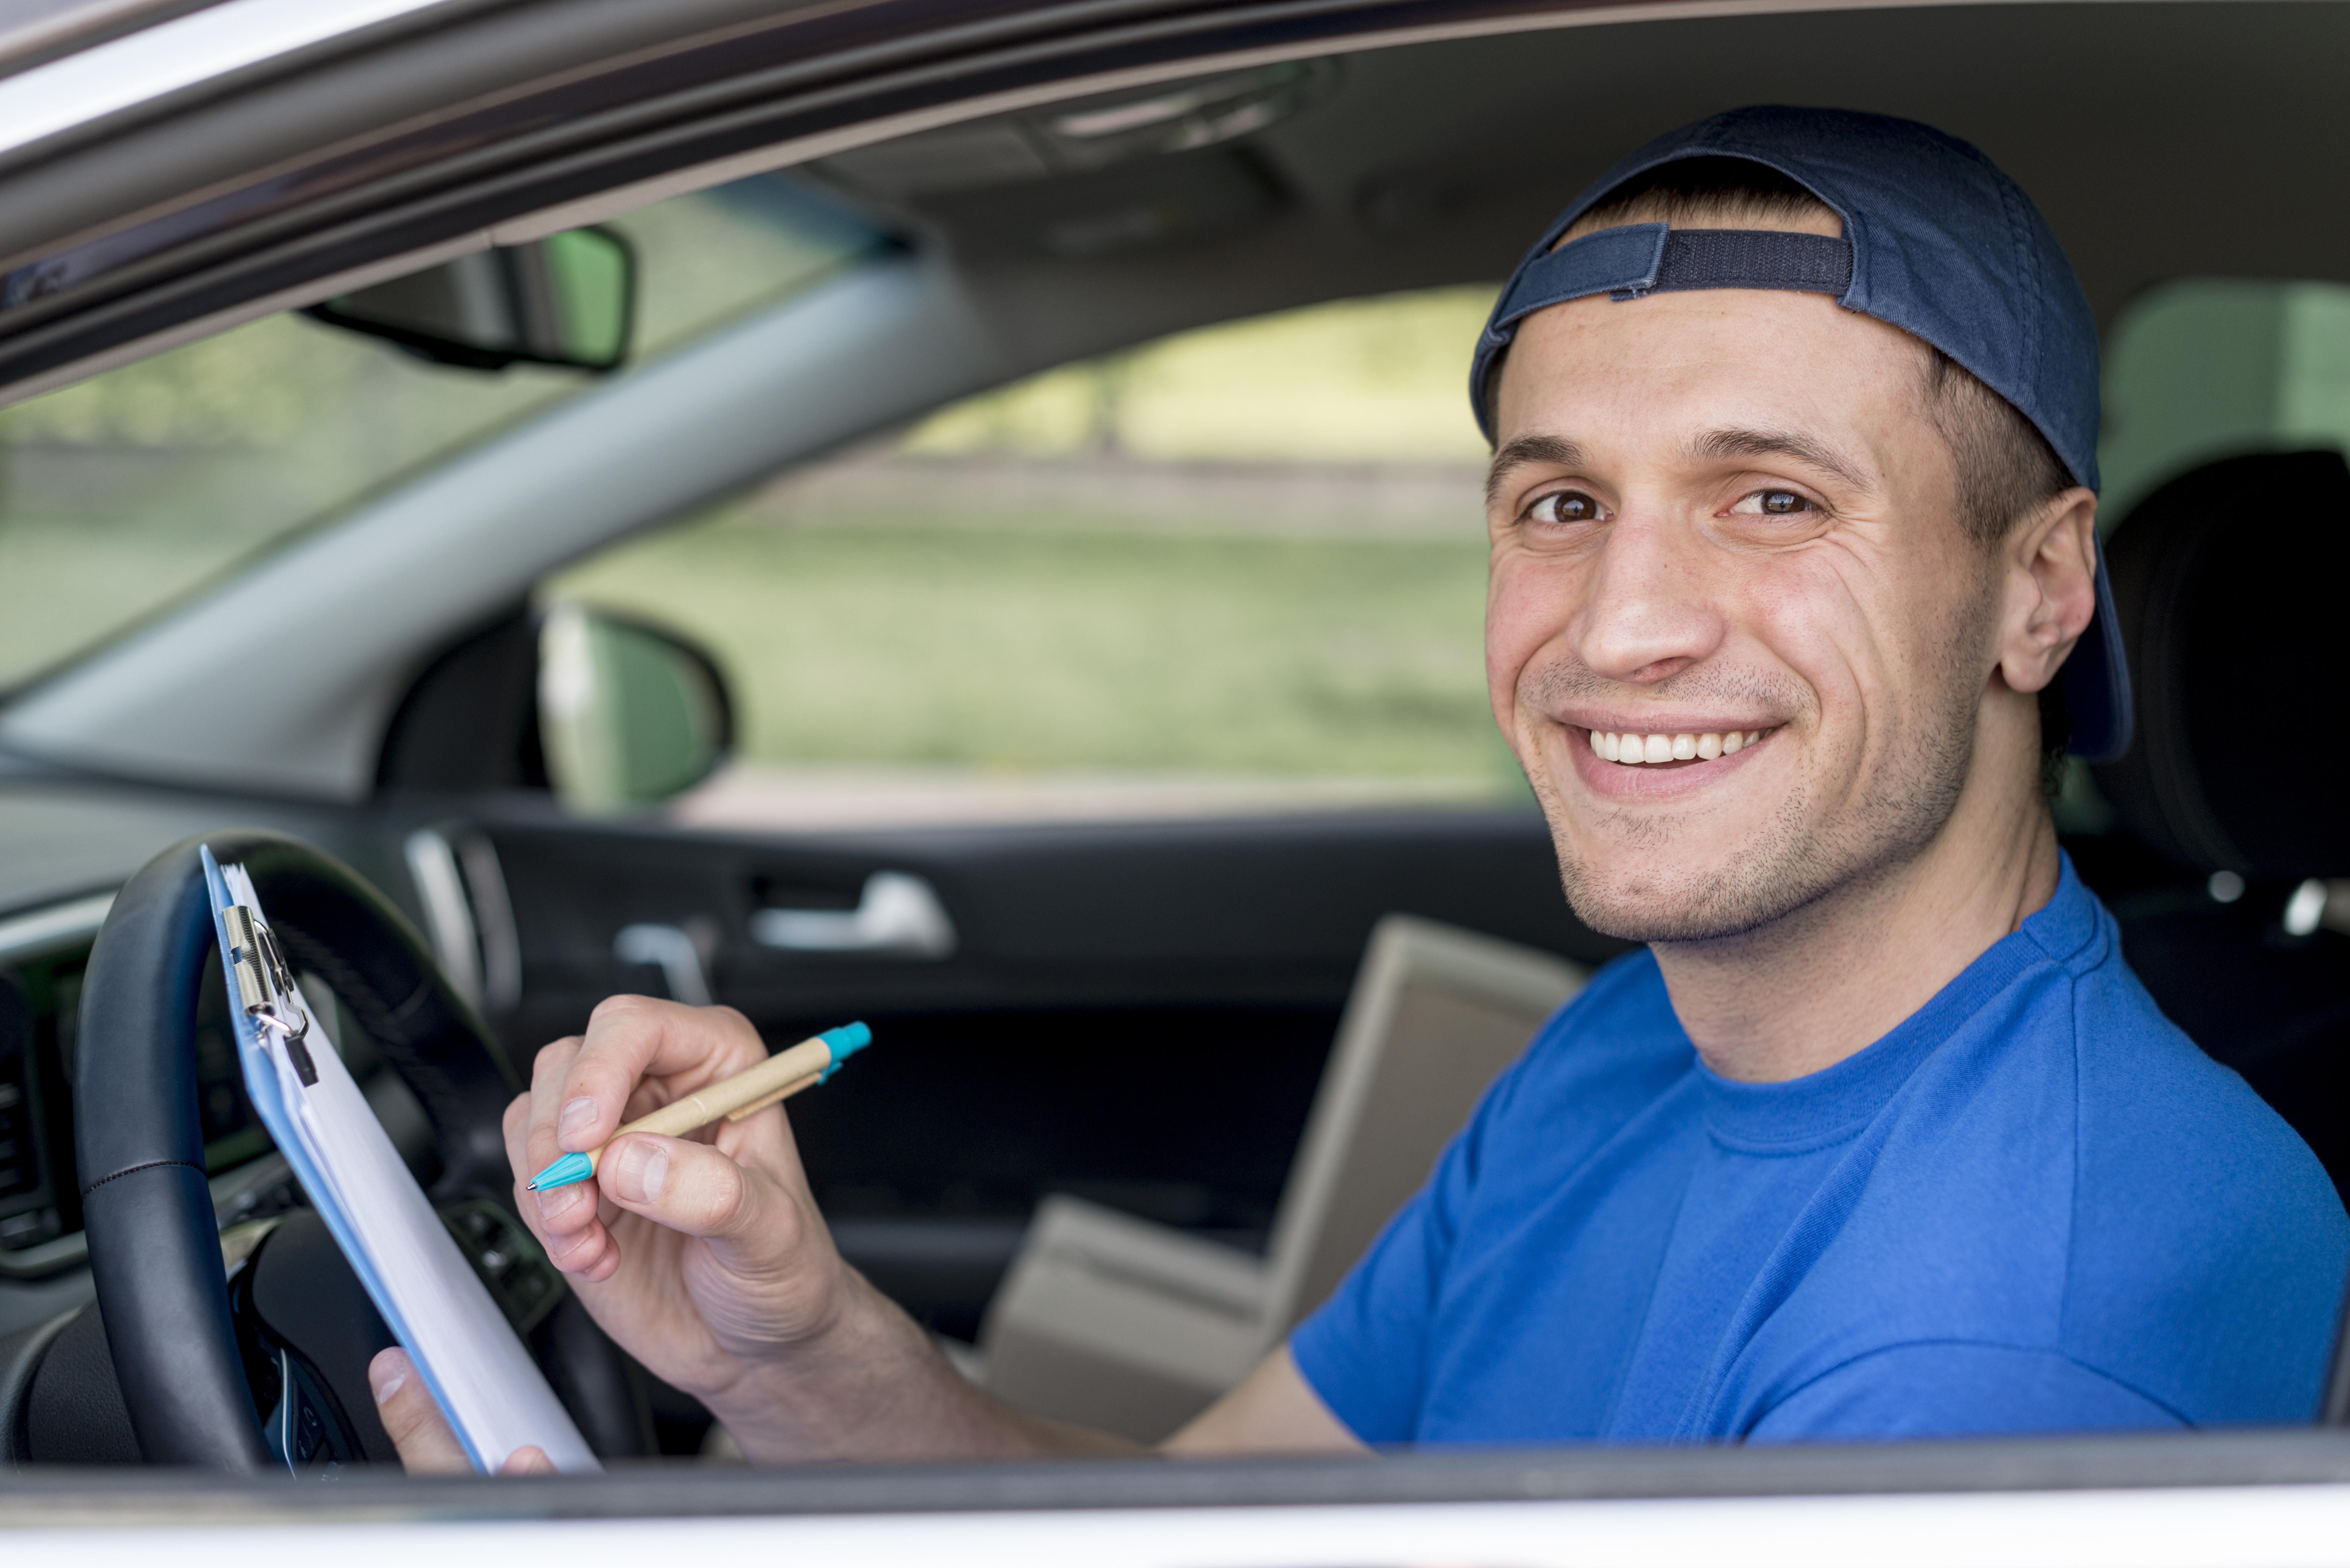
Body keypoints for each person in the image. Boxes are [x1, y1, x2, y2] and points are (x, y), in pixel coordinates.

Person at [373, 105, 2350, 1469]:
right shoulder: (1644, 1049)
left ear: (2039, 591)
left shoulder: (2011, 1320)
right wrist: (797, 1360)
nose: (1623, 624)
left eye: (1774, 499)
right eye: (1560, 503)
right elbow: (1210, 1523)